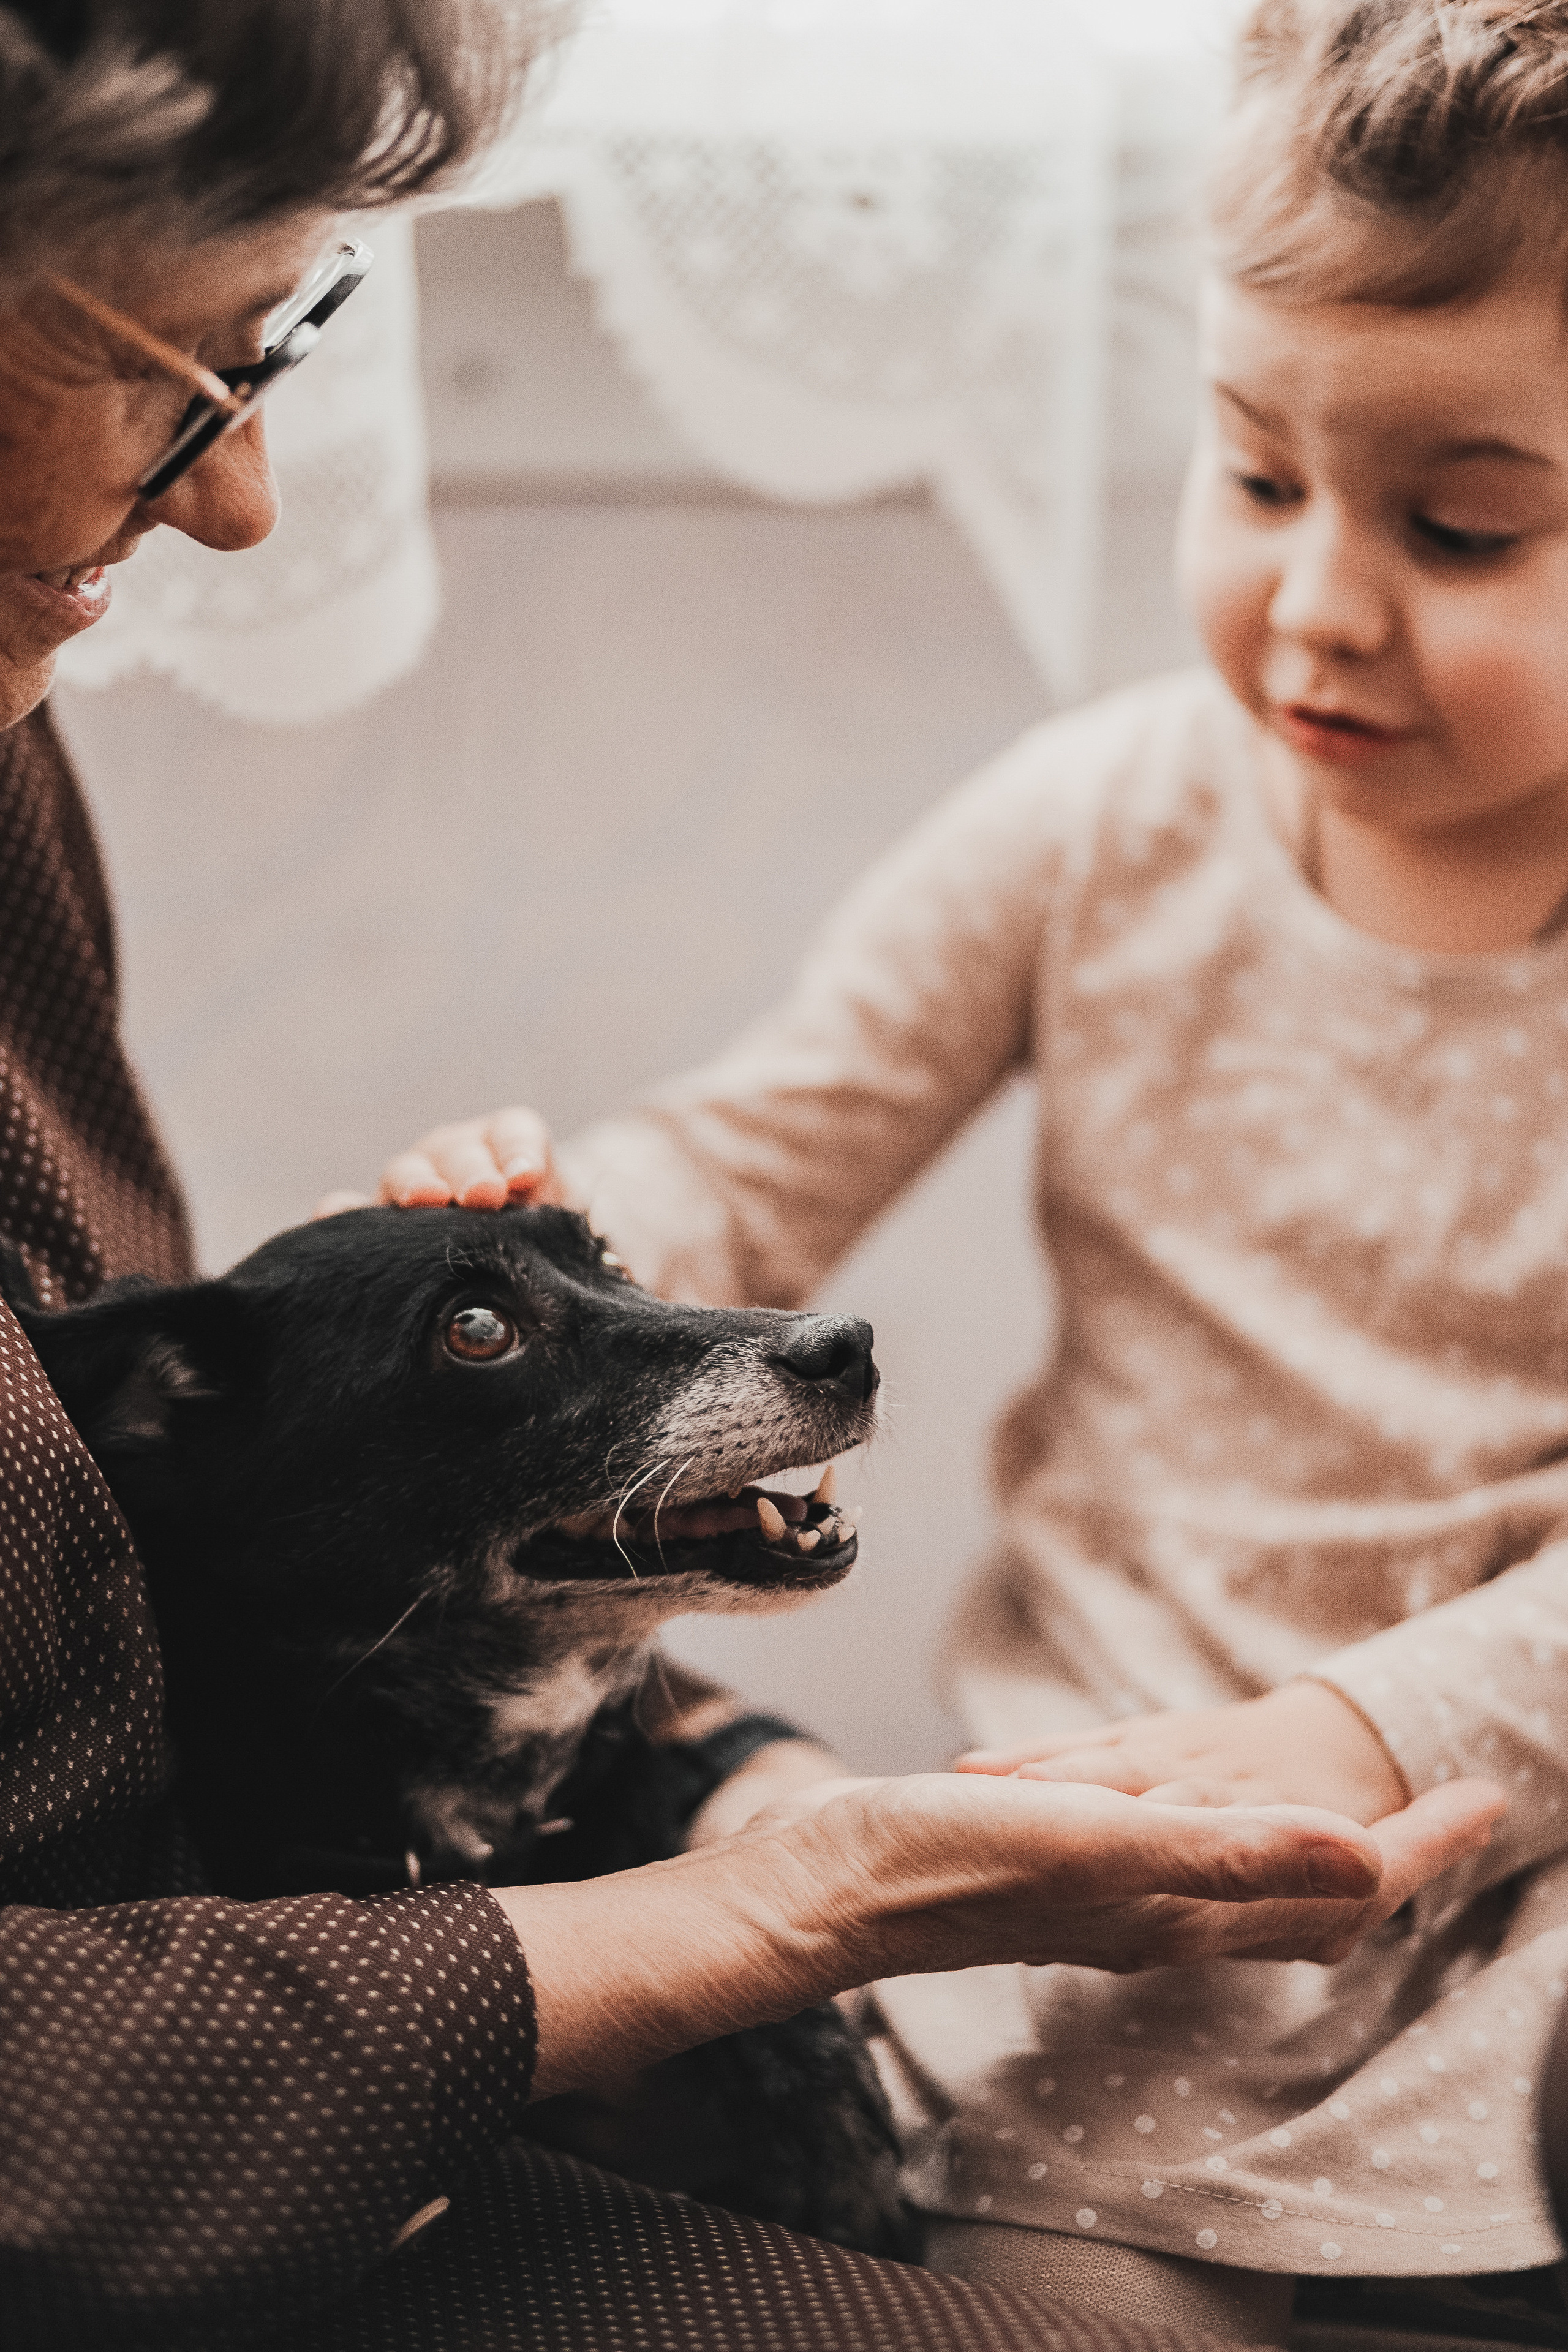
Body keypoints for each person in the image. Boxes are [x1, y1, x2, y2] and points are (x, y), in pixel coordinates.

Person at [0, 4, 1500, 2347]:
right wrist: (520, 1270)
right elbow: (752, 1156)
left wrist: (1378, 1728)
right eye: (1249, 472)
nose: (1317, 602)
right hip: (1106, 1856)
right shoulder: (1098, 828)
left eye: (1469, 523)